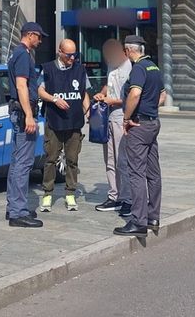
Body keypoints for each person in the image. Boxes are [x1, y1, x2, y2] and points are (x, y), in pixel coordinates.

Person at [114, 36, 165, 238]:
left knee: (136, 173)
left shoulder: (138, 68)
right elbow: (163, 95)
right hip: (153, 123)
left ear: (128, 51)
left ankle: (138, 221)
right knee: (153, 172)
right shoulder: (154, 67)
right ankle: (153, 217)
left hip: (139, 125)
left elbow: (134, 94)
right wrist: (150, 107)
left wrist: (127, 118)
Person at [37, 38, 90, 211]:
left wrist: (88, 111)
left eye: (75, 55)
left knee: (72, 160)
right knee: (51, 159)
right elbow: (39, 90)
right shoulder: (48, 69)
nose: (72, 58)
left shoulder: (79, 69)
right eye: (68, 55)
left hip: (74, 122)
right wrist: (54, 99)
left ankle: (70, 193)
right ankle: (47, 194)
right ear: (59, 52)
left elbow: (83, 92)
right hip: (54, 122)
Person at [5, 22, 47, 228]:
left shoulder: (17, 53)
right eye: (39, 36)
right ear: (30, 35)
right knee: (23, 163)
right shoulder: (23, 54)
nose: (40, 41)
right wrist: (29, 115)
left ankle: (13, 206)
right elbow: (22, 86)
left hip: (18, 112)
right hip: (23, 113)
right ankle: (18, 212)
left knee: (16, 162)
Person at [93, 38, 132, 213]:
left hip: (122, 117)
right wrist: (101, 94)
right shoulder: (111, 66)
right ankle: (114, 196)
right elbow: (108, 87)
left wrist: (113, 101)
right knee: (109, 159)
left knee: (122, 159)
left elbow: (133, 97)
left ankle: (127, 199)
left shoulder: (131, 68)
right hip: (108, 117)